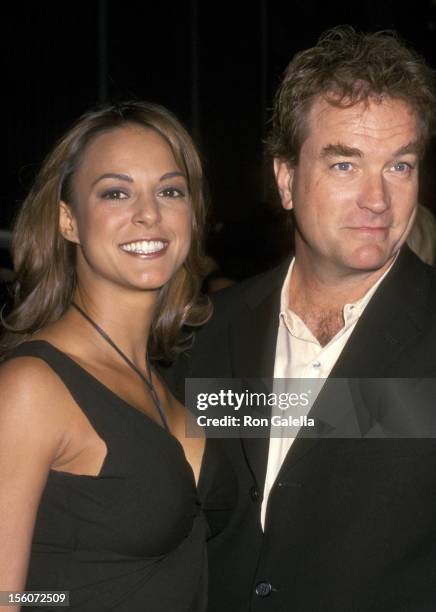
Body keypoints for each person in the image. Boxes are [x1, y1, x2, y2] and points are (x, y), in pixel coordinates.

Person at [162, 27, 436, 610]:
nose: (377, 201)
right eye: (344, 165)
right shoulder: (206, 333)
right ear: (286, 179)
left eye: (400, 167)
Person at [0, 101, 214, 611]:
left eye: (170, 191)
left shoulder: (175, 380)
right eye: (116, 192)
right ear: (68, 221)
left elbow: (312, 419)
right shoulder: (33, 387)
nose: (148, 214)